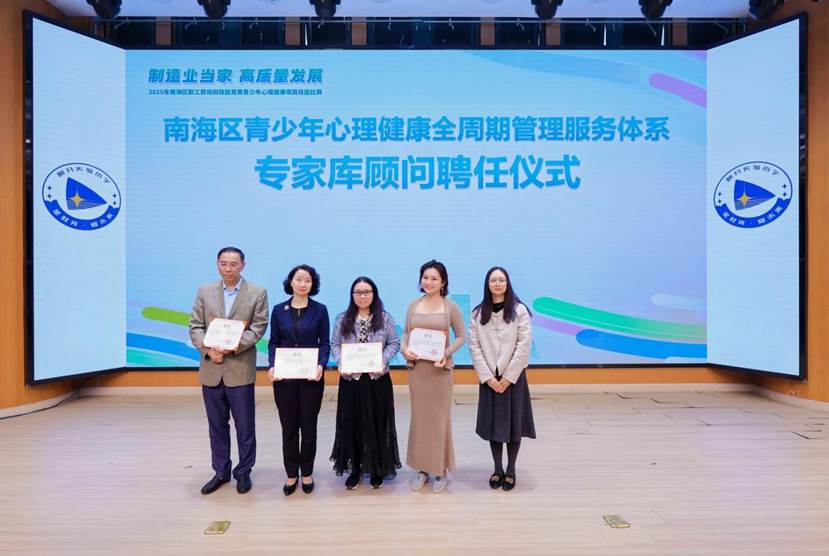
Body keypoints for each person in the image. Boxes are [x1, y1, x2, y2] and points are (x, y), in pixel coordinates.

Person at [188, 247, 269, 495]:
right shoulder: (205, 291)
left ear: (243, 265)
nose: (228, 268)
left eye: (234, 264)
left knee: (245, 426)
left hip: (240, 368)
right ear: (217, 264)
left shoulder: (257, 292)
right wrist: (207, 350)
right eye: (223, 263)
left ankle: (243, 471)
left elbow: (258, 327)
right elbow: (195, 326)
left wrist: (232, 347)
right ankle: (221, 471)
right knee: (216, 425)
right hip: (211, 368)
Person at [329, 276, 402, 490]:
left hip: (377, 380)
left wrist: (383, 360)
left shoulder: (385, 318)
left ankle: (377, 469)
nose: (362, 296)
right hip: (351, 381)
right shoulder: (342, 319)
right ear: (352, 295)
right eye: (358, 292)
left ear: (374, 294)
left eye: (367, 292)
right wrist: (341, 362)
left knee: (378, 423)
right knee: (352, 424)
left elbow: (394, 343)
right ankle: (355, 469)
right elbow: (334, 344)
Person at [468, 266, 536, 492]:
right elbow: (474, 346)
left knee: (515, 425)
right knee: (493, 426)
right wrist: (488, 377)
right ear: (487, 284)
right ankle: (497, 469)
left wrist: (508, 377)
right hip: (490, 378)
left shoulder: (519, 310)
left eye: (501, 280)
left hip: (513, 377)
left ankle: (511, 470)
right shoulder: (478, 313)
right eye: (493, 280)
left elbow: (524, 345)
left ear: (507, 283)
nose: (497, 284)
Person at [401, 260, 466, 493]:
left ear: (443, 282)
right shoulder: (413, 305)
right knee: (420, 420)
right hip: (418, 371)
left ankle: (440, 470)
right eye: (425, 277)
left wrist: (446, 354)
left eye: (434, 278)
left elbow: (462, 336)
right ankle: (422, 469)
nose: (428, 282)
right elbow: (406, 333)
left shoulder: (451, 307)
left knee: (439, 420)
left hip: (440, 372)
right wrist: (404, 349)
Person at [267, 264, 330, 496]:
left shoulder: (320, 310)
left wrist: (321, 364)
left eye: (308, 280)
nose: (303, 284)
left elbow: (325, 342)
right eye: (299, 279)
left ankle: (308, 472)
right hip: (284, 379)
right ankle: (291, 473)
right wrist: (272, 365)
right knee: (289, 428)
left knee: (309, 427)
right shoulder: (278, 310)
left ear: (313, 284)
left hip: (311, 378)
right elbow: (273, 342)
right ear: (291, 282)